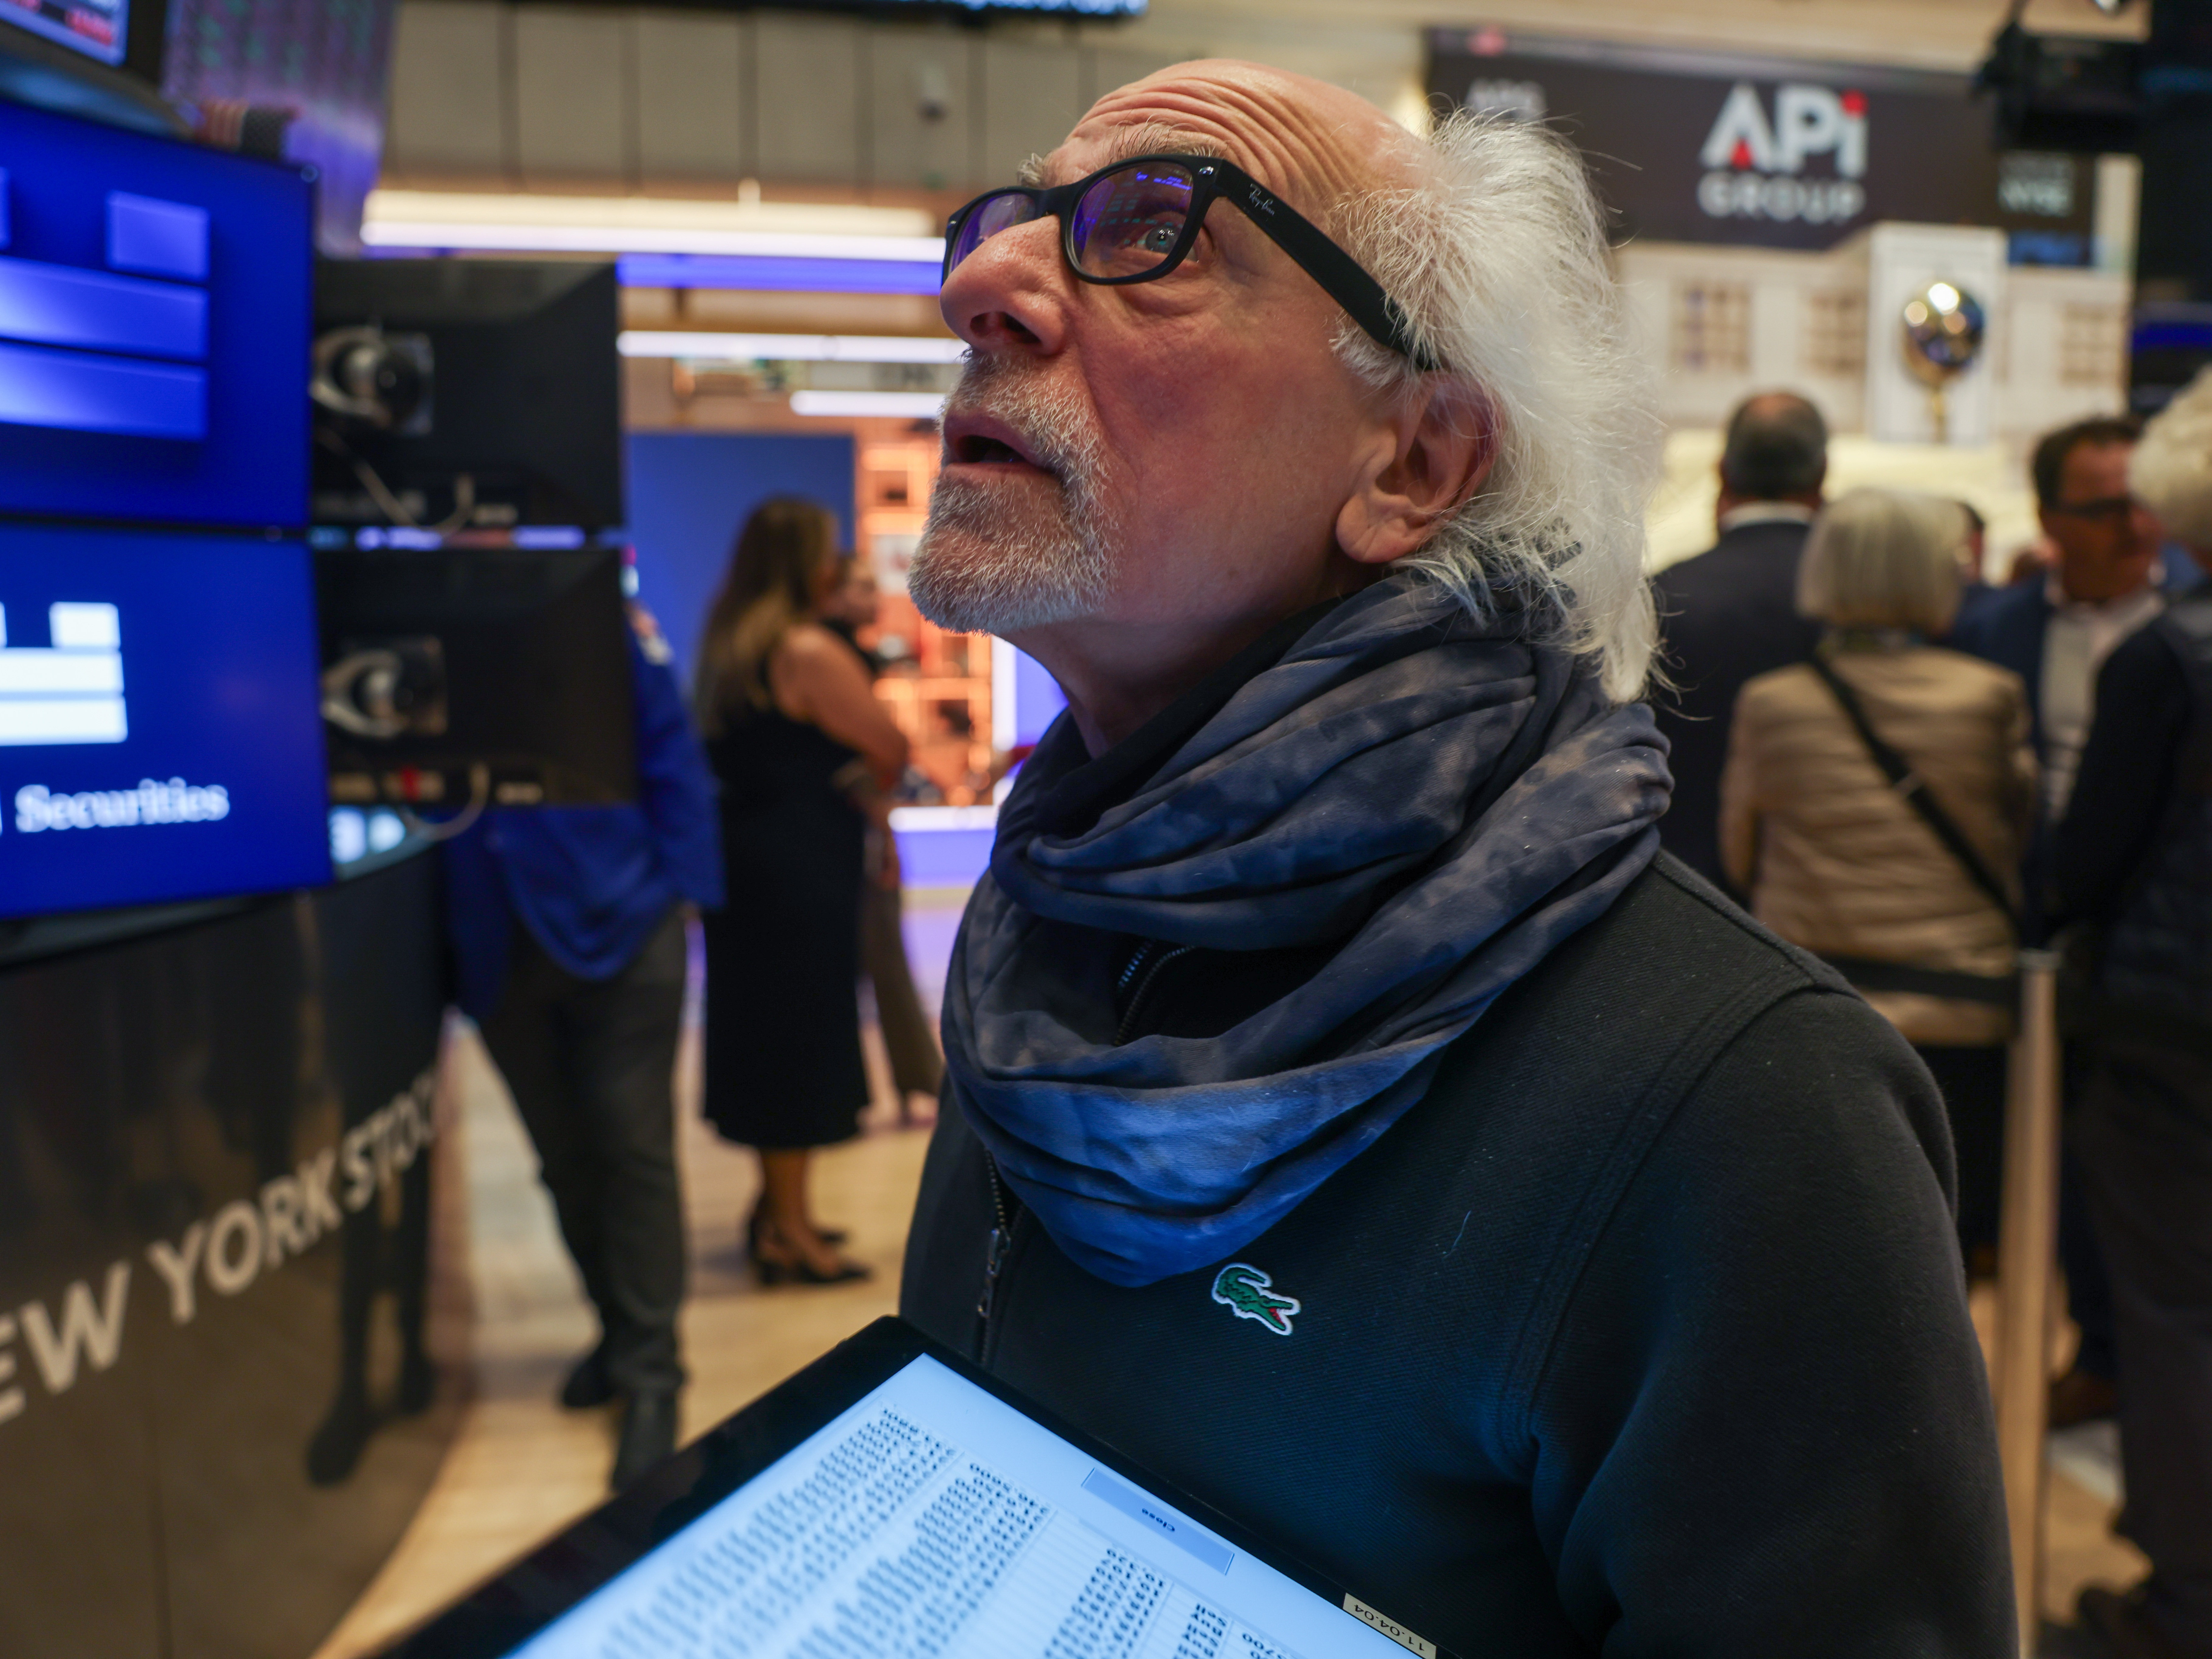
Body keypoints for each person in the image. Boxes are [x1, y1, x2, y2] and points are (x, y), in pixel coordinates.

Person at [897, 62, 2012, 1653]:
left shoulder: (1746, 1108)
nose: (982, 284)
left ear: (1413, 464)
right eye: (1003, 226)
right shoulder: (1044, 942)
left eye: (1150, 229)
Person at [444, 604, 722, 1491]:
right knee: (563, 1160)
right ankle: (617, 1329)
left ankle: (652, 1379)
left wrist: (684, 895)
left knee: (631, 1150)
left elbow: (671, 754)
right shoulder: (408, 623)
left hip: (623, 922)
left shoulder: (596, 615)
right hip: (492, 941)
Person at [1720, 489, 2035, 1263]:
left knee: (1819, 1240)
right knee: (1942, 1242)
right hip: (1961, 1008)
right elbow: (2018, 842)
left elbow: (1738, 854)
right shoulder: (1988, 697)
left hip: (1818, 1003)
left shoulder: (1773, 702)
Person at [1951, 413, 2164, 1423]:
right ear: (2047, 518)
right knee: (2057, 1157)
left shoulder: (2189, 623)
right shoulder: (1992, 631)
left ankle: (2137, 1358)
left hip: (2155, 944)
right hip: (2026, 924)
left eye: (2137, 500)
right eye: (2101, 507)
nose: (2132, 525)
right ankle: (2099, 1348)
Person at [2056, 367, 2212, 1659]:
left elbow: (2088, 857)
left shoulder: (2170, 656)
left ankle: (2184, 1601)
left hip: (2171, 1032)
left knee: (2173, 1312)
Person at [694, 499, 908, 1285]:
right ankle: (789, 1233)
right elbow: (890, 743)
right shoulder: (807, 649)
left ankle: (775, 1211)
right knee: (801, 1041)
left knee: (764, 1037)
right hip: (799, 870)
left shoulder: (731, 646)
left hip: (748, 867)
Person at [1650, 391, 1828, 893]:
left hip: (1688, 887)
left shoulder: (1664, 595)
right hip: (1819, 893)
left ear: (1722, 473)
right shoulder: (1857, 604)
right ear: (1821, 476)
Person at [820, 555, 945, 1122]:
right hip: (841, 838)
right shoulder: (831, 658)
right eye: (861, 587)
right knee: (879, 962)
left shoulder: (849, 657)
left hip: (853, 833)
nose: (875, 598)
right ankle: (910, 1084)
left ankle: (911, 1084)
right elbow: (881, 753)